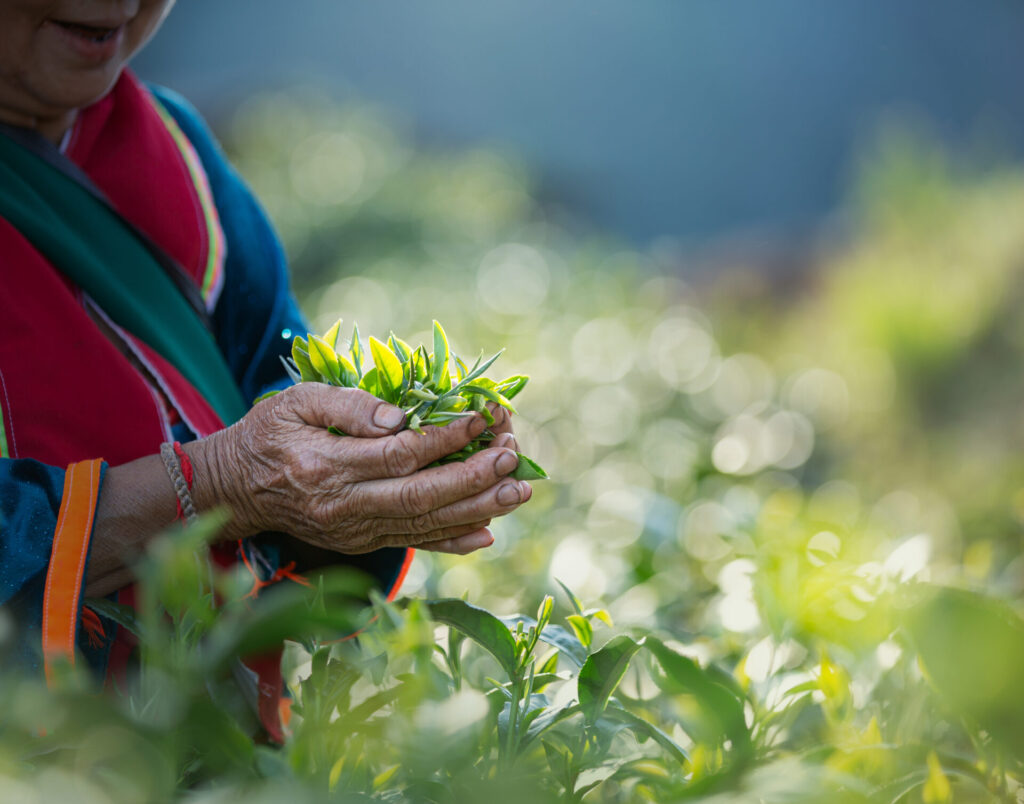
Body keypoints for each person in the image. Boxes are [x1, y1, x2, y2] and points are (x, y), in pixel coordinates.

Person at [0, 0, 532, 740]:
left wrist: (360, 483)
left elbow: (275, 376)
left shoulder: (176, 152)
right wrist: (214, 483)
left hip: (211, 749)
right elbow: (237, 471)